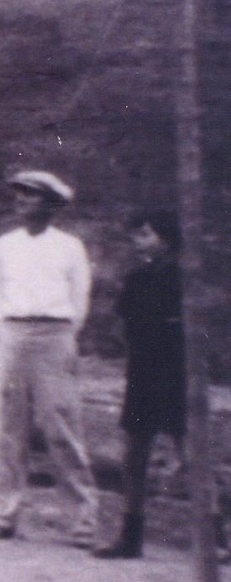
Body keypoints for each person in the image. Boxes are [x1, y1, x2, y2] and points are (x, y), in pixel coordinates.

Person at [0, 171, 97, 546]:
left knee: (60, 425)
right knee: (8, 429)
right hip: (13, 334)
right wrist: (6, 330)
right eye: (19, 195)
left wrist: (61, 336)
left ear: (50, 204)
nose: (22, 201)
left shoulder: (70, 246)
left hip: (54, 334)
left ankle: (83, 520)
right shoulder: (4, 245)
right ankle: (3, 514)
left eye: (31, 196)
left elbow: (80, 300)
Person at [92, 212, 185, 560]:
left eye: (145, 235)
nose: (138, 241)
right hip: (144, 373)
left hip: (179, 374)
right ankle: (131, 536)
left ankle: (218, 535)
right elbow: (123, 326)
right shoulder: (136, 279)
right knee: (133, 456)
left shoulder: (186, 280)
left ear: (166, 239)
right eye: (137, 235)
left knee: (189, 454)